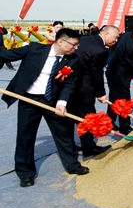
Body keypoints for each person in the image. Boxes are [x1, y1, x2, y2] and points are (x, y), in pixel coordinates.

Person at [0, 28, 88, 187]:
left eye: (77, 45)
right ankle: (25, 173)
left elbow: (69, 84)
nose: (76, 48)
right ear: (60, 41)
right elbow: (4, 55)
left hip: (52, 101)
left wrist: (62, 103)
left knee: (63, 133)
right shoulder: (34, 49)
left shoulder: (73, 59)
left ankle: (72, 164)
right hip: (29, 99)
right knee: (25, 136)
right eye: (73, 44)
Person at [67, 25, 120, 157]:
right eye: (115, 37)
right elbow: (96, 74)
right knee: (88, 116)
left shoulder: (85, 39)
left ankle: (70, 146)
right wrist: (100, 93)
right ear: (106, 34)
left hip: (68, 85)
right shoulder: (100, 50)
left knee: (70, 116)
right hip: (84, 88)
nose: (116, 41)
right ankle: (88, 147)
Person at [106, 23, 133, 135]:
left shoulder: (126, 35)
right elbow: (130, 65)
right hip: (120, 75)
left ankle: (109, 122)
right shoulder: (132, 47)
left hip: (112, 72)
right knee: (125, 101)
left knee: (113, 99)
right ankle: (125, 126)